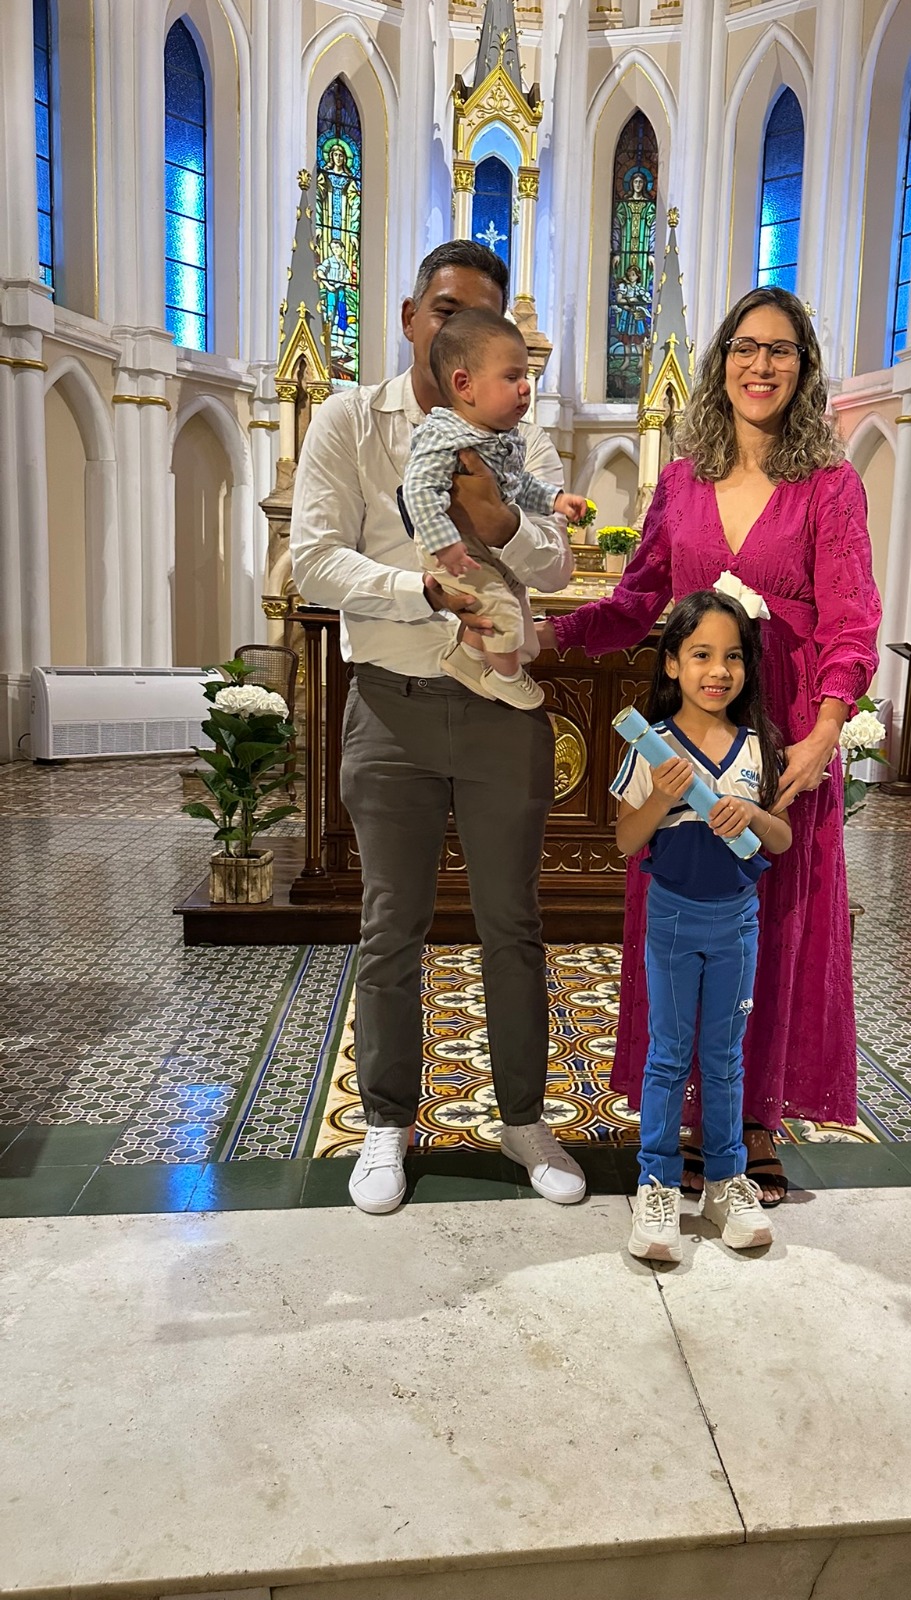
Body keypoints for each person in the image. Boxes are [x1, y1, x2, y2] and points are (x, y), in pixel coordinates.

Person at [539, 286, 882, 1202]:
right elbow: (637, 600)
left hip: (786, 732)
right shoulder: (684, 481)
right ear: (720, 361)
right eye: (745, 347)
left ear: (804, 369)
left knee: (774, 923)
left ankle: (754, 1120)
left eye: (781, 350)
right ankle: (687, 1113)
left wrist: (824, 731)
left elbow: (852, 619)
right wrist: (551, 636)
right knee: (684, 907)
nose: (760, 366)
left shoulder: (829, 485)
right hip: (689, 731)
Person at [291, 240, 586, 1215]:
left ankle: (523, 1118)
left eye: (485, 316)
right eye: (448, 309)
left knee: (513, 923)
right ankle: (387, 1120)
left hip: (500, 714)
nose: (463, 329)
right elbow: (314, 560)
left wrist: (501, 524)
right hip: (390, 708)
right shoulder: (349, 421)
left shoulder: (515, 430)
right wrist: (417, 590)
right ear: (412, 316)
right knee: (390, 927)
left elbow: (554, 565)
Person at [614, 588, 791, 1263]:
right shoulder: (653, 746)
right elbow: (626, 841)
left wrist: (753, 816)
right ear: (671, 663)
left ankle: (725, 1180)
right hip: (671, 920)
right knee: (667, 1054)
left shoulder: (758, 747)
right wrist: (662, 799)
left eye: (733, 657)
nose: (718, 670)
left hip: (738, 923)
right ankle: (657, 1183)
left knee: (723, 1057)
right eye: (701, 655)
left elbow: (782, 839)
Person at [401, 308, 590, 711]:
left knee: (507, 586)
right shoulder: (444, 435)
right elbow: (418, 490)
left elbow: (520, 486)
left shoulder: (501, 437)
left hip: (473, 546)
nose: (525, 388)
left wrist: (555, 500)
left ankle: (467, 657)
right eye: (512, 377)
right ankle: (506, 677)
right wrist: (446, 544)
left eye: (526, 376)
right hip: (449, 548)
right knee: (500, 605)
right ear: (464, 385)